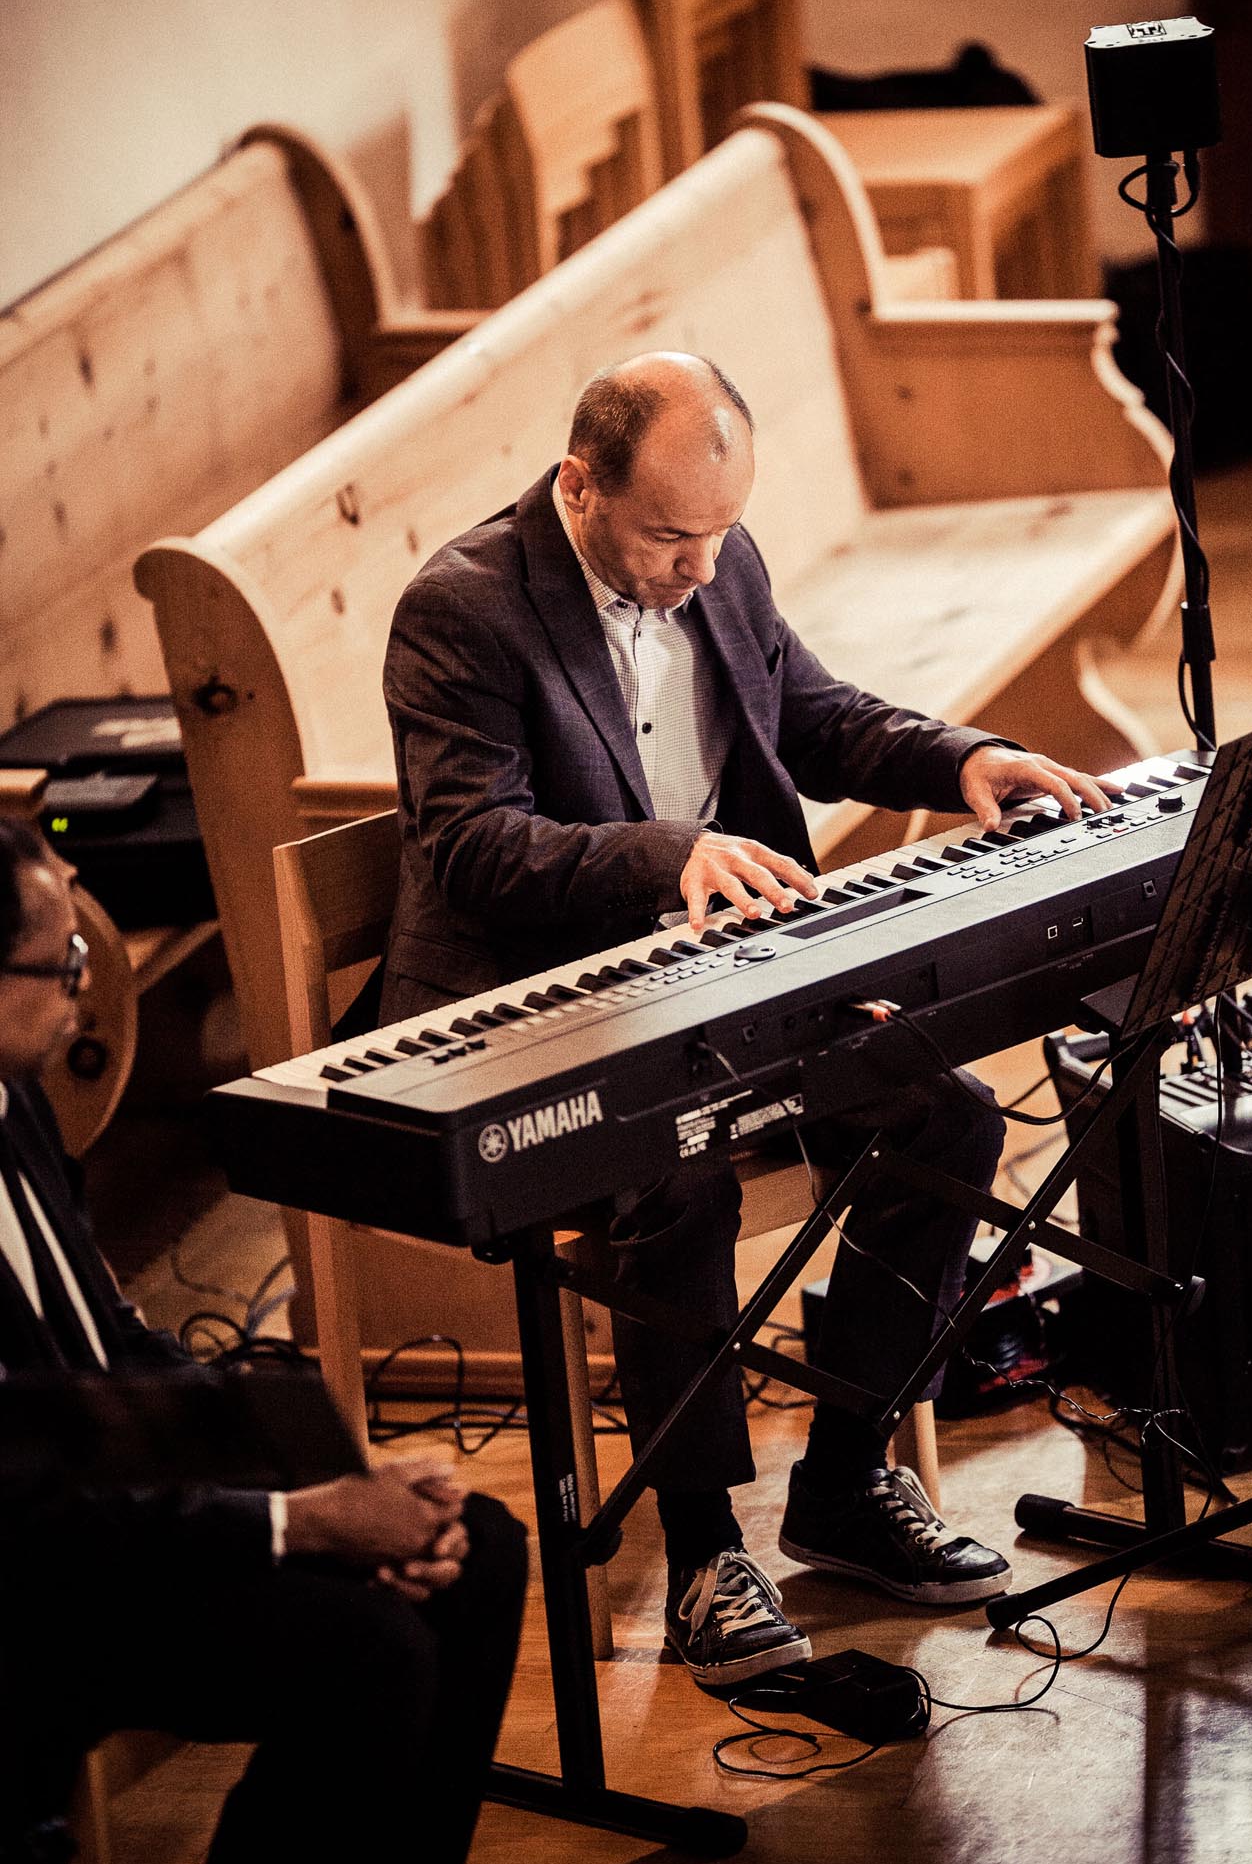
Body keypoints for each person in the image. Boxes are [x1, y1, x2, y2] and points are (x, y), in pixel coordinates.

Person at [381, 352, 1115, 1689]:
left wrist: (963, 755)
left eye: (721, 532)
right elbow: (474, 846)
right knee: (679, 1182)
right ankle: (705, 1545)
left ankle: (845, 1479)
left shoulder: (717, 555)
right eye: (671, 537)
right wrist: (670, 855)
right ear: (578, 486)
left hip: (723, 977)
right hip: (550, 1010)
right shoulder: (464, 607)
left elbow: (813, 718)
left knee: (946, 1119)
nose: (703, 566)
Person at [0, 819, 526, 1864]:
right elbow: (27, 1497)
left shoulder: (19, 1102)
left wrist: (324, 1471)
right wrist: (302, 1521)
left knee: (476, 1549)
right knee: (367, 1653)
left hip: (105, 1516)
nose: (86, 988)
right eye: (65, 961)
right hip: (39, 1577)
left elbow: (113, 1342)